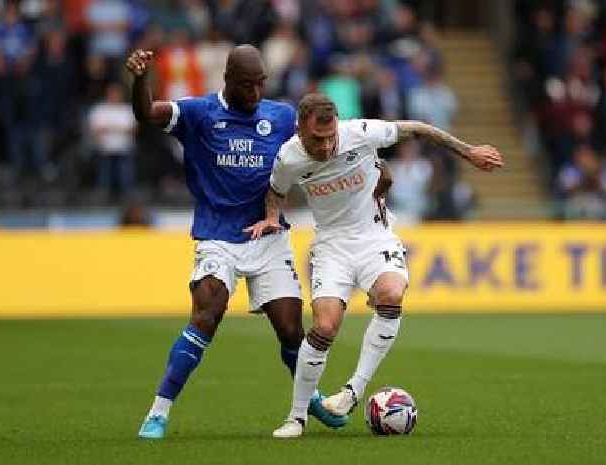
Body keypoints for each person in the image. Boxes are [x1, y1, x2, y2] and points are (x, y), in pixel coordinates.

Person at [244, 93, 504, 438]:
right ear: (301, 130)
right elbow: (276, 190)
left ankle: (353, 391)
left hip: (374, 237)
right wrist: (273, 216)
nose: (326, 146)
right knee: (324, 326)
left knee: (392, 293)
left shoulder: (361, 132)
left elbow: (419, 129)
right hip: (331, 245)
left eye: (331, 136)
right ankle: (297, 417)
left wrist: (468, 151)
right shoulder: (289, 157)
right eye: (317, 140)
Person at [126, 45, 348, 440]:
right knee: (206, 316)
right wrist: (142, 79)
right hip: (217, 237)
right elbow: (146, 113)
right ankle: (157, 413)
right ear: (228, 81)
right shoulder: (199, 114)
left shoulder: (280, 116)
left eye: (261, 84)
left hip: (269, 237)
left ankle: (309, 398)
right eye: (247, 86)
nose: (256, 94)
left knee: (292, 332)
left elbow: (325, 141)